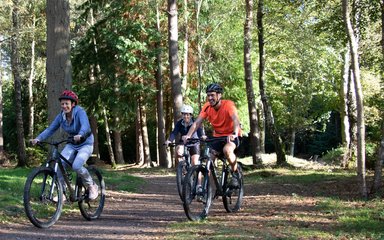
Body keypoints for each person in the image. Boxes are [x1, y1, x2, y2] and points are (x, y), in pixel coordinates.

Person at [31, 90, 98, 200]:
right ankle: (62, 193)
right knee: (60, 165)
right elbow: (50, 129)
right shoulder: (61, 117)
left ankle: (91, 185)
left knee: (76, 166)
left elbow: (85, 126)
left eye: (67, 103)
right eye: (62, 104)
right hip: (72, 143)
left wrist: (80, 135)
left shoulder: (80, 112)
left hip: (85, 143)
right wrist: (38, 138)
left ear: (73, 104)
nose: (64, 106)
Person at [182, 83, 242, 188]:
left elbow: (236, 120)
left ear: (219, 95)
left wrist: (234, 133)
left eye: (212, 95)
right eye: (208, 95)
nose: (210, 98)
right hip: (217, 137)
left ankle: (235, 173)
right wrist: (188, 135)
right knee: (208, 160)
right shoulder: (207, 107)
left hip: (231, 135)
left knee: (227, 151)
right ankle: (205, 189)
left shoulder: (228, 105)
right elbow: (197, 123)